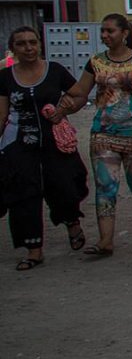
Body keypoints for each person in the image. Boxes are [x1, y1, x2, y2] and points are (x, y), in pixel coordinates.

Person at [54, 14, 132, 256]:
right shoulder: (96, 62)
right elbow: (80, 92)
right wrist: (62, 107)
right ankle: (105, 241)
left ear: (124, 33)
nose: (105, 35)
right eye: (103, 31)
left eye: (110, 31)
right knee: (105, 187)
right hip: (103, 134)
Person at [0, 26, 89, 270]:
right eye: (21, 44)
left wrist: (64, 110)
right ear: (13, 48)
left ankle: (72, 222)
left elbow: (80, 94)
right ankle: (34, 249)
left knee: (64, 185)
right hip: (19, 142)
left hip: (55, 141)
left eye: (32, 42)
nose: (28, 48)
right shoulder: (5, 77)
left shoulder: (55, 71)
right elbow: (2, 114)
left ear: (39, 44)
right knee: (23, 193)